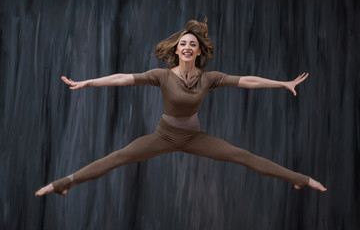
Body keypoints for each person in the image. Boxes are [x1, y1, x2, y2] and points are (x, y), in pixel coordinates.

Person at [35, 18, 326, 197]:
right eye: (183, 43)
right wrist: (89, 83)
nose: (187, 47)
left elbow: (246, 81)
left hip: (195, 138)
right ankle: (64, 183)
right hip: (163, 136)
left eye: (193, 45)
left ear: (199, 52)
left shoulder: (209, 78)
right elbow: (123, 77)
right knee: (119, 157)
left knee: (242, 155)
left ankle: (299, 180)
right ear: (176, 49)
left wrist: (282, 83)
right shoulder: (161, 75)